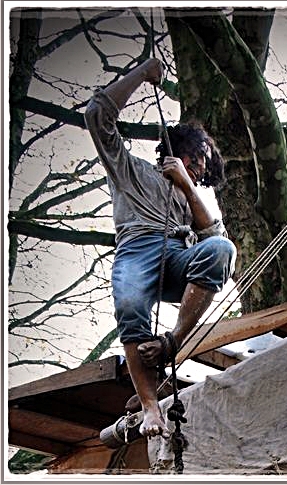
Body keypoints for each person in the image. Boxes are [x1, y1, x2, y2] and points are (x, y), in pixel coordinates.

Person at [84, 58, 236, 438]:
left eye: (203, 165)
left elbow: (216, 243)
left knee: (221, 249)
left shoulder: (189, 198)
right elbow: (96, 116)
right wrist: (139, 74)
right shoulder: (132, 171)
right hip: (137, 249)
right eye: (198, 160)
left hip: (177, 255)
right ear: (182, 151)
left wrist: (186, 186)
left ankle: (171, 343)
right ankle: (149, 405)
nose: (201, 169)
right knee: (132, 304)